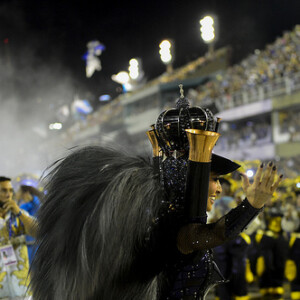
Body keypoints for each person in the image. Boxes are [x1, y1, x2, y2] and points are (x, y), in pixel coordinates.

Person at [30, 87, 283, 300]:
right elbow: (214, 233)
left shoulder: (165, 221)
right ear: (191, 181)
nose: (218, 188)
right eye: (214, 180)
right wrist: (252, 206)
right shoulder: (175, 230)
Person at [0, 176, 37, 299]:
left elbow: (38, 231)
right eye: (4, 190)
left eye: (11, 190)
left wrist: (19, 212)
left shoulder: (20, 215)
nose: (8, 194)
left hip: (22, 291)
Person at [15, 185, 42, 264]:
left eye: (19, 191)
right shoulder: (22, 205)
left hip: (35, 244)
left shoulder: (34, 203)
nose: (17, 193)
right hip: (27, 244)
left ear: (25, 193)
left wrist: (32, 199)